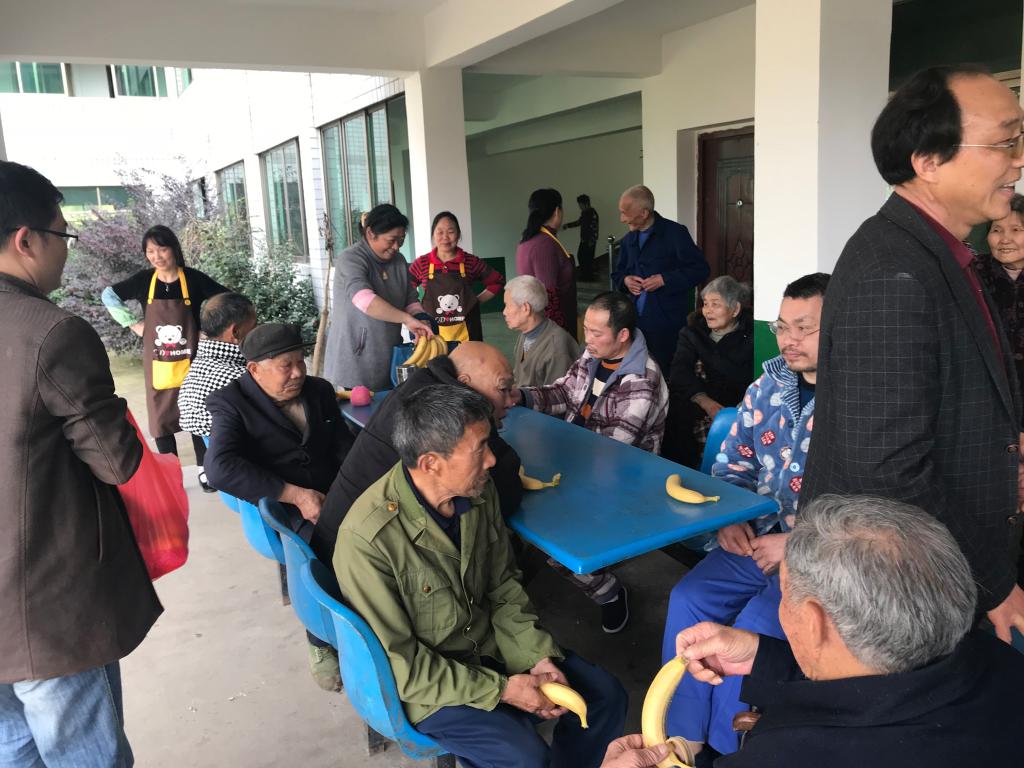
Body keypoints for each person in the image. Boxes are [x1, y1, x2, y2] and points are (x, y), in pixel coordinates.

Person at [801, 65, 1024, 642]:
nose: (1019, 161)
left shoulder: (939, 254)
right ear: (928, 161)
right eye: (1005, 142)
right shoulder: (892, 272)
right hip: (910, 590)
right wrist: (995, 583)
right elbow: (889, 472)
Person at [334, 385, 627, 768]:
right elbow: (403, 666)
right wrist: (503, 690)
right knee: (524, 757)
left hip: (490, 647)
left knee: (605, 697)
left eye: (490, 443)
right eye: (479, 450)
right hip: (431, 686)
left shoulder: (477, 493)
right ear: (430, 463)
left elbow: (502, 586)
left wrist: (537, 656)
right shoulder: (368, 541)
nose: (491, 461)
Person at [0, 160, 162, 766]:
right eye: (61, 234)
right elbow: (116, 462)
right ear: (26, 240)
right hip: (47, 606)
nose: (66, 251)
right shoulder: (52, 332)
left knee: (14, 750)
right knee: (83, 754)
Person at [673, 495, 1024, 767]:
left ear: (814, 621)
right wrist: (765, 657)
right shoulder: (999, 660)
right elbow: (880, 689)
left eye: (784, 592)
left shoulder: (783, 757)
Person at [659, 272, 828, 762]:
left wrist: (795, 546)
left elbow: (872, 505)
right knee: (689, 598)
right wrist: (731, 517)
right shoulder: (767, 387)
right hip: (754, 537)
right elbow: (733, 463)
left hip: (821, 556)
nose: (789, 340)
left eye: (805, 328)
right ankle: (683, 740)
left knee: (757, 623)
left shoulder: (861, 400)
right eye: (782, 327)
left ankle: (730, 750)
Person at [205, 322, 355, 692]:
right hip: (286, 505)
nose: (298, 372)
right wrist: (297, 495)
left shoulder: (319, 391)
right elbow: (220, 468)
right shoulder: (231, 403)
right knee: (325, 553)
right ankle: (320, 638)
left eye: (300, 361)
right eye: (286, 366)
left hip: (334, 494)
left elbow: (344, 448)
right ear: (255, 369)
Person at [515, 291, 668, 633]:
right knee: (513, 496)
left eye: (596, 333)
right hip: (579, 459)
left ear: (623, 335)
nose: (588, 339)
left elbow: (612, 450)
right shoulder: (593, 355)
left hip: (623, 479)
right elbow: (563, 392)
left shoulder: (642, 380)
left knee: (556, 538)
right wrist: (520, 396)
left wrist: (553, 458)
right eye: (586, 329)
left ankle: (609, 592)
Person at [312, 341, 523, 566]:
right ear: (464, 384)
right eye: (502, 390)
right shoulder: (454, 412)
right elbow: (506, 492)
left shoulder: (420, 385)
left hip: (327, 546)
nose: (510, 401)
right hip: (350, 562)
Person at [102, 224, 229, 460]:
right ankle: (172, 471)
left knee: (196, 413)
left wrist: (209, 331)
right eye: (150, 251)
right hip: (158, 363)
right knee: (161, 420)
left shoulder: (192, 278)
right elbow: (108, 295)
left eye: (162, 249)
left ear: (174, 249)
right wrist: (133, 323)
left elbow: (228, 299)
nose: (156, 257)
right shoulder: (144, 280)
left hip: (192, 362)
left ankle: (204, 468)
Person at [323, 203, 434, 392]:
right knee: (361, 408)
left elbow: (410, 300)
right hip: (355, 357)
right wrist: (406, 319)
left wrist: (420, 318)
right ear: (370, 233)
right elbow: (364, 300)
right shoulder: (351, 259)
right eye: (391, 240)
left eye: (401, 240)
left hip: (388, 352)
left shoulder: (399, 261)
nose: (396, 246)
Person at [612, 184, 710, 374]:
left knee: (665, 374)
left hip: (667, 323)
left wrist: (665, 279)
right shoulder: (629, 240)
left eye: (625, 213)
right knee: (637, 374)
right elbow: (617, 273)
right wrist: (625, 281)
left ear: (644, 213)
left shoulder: (675, 233)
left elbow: (700, 269)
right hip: (634, 321)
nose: (622, 219)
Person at [662, 276, 754, 468]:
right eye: (705, 304)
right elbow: (679, 371)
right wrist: (704, 401)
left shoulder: (751, 336)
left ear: (735, 309)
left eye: (715, 304)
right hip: (695, 403)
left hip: (733, 406)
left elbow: (747, 379)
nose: (708, 310)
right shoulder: (692, 333)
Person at [177, 292, 257, 492]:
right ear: (235, 332)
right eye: (254, 326)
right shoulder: (241, 379)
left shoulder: (197, 369)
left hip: (233, 488)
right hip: (256, 482)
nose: (257, 331)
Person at [408, 211, 505, 342]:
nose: (445, 237)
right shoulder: (422, 263)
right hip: (431, 332)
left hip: (467, 334)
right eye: (440, 232)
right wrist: (417, 312)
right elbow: (406, 289)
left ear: (458, 234)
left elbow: (497, 281)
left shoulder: (470, 262)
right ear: (433, 235)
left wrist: (475, 302)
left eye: (450, 232)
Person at [977, 192, 1024, 400]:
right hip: (989, 389)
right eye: (996, 230)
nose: (1005, 239)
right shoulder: (974, 273)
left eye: (1016, 230)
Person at [515, 188, 578, 337]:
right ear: (557, 211)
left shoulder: (530, 240)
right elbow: (549, 298)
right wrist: (557, 337)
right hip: (551, 328)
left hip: (537, 323)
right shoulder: (544, 244)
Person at [502, 274, 580, 387]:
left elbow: (557, 395)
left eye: (507, 306)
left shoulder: (556, 348)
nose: (504, 312)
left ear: (525, 308)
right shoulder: (526, 334)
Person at [564, 193, 599, 281]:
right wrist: (568, 225)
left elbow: (594, 228)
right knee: (581, 256)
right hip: (584, 240)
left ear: (586, 204)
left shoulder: (592, 213)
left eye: (581, 205)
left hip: (590, 241)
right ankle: (585, 275)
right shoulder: (584, 213)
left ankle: (588, 277)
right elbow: (579, 222)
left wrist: (592, 241)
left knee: (587, 259)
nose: (580, 207)